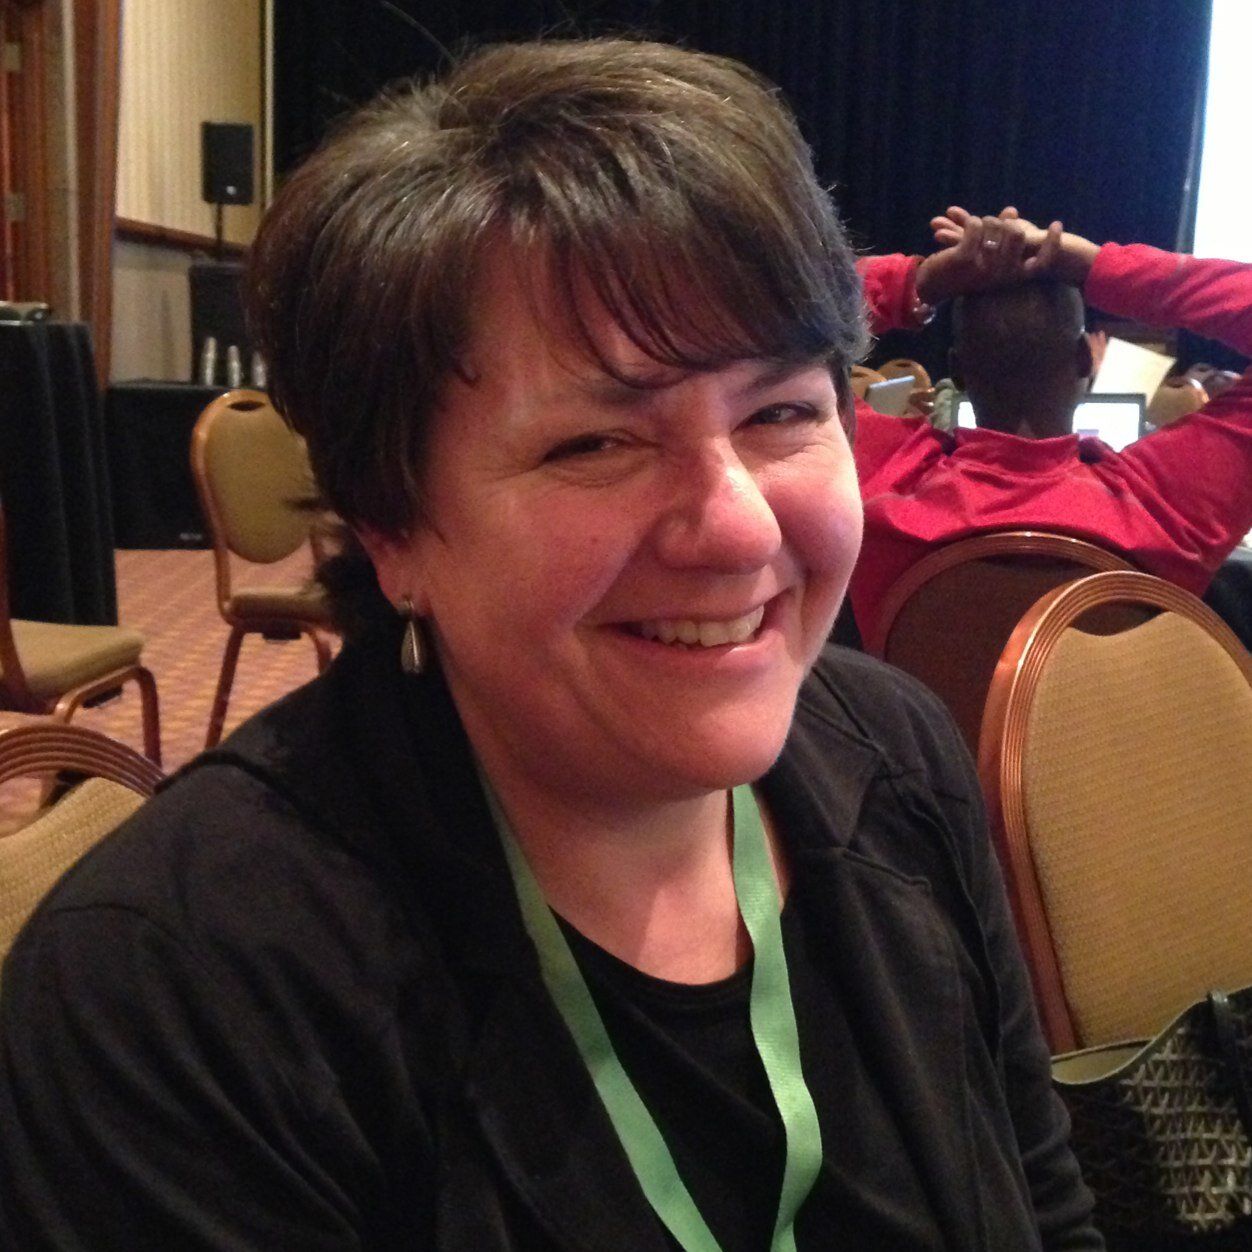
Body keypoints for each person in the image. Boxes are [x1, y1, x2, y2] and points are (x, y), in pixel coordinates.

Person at [0, 39, 1102, 1250]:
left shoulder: (897, 754)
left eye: (781, 410)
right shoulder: (179, 998)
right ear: (391, 525)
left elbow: (1042, 1209)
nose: (740, 525)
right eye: (595, 443)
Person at [849, 208, 1252, 642]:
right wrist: (1092, 266)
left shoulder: (877, 483)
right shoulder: (1165, 509)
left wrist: (920, 281)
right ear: (1085, 360)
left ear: (957, 370)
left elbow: (790, 324)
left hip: (905, 693)